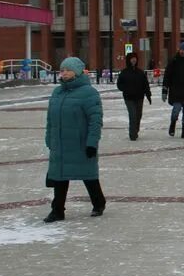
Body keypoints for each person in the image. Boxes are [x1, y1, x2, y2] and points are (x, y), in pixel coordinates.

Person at [43, 57, 105, 223]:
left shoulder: (89, 93)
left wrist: (92, 143)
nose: (63, 73)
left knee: (88, 175)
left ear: (76, 72)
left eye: (67, 70)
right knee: (59, 178)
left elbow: (95, 121)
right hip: (60, 145)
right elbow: (50, 119)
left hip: (80, 144)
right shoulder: (57, 92)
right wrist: (49, 138)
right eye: (61, 70)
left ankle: (99, 203)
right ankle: (57, 210)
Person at [115, 52, 151, 140]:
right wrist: (125, 89)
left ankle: (135, 130)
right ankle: (132, 134)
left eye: (135, 58)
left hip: (139, 97)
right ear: (128, 60)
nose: (134, 60)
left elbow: (145, 84)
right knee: (133, 115)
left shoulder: (140, 72)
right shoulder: (124, 72)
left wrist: (148, 95)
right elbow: (119, 84)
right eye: (132, 58)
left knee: (138, 115)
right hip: (129, 98)